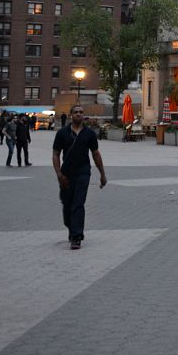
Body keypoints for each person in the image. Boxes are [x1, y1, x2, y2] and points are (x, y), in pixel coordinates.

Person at [51, 105, 108, 250]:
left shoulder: (89, 134)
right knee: (67, 204)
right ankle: (71, 228)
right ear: (71, 115)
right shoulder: (62, 133)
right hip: (66, 173)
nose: (79, 114)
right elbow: (56, 154)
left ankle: (76, 236)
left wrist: (102, 174)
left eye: (81, 112)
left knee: (78, 203)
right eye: (76, 112)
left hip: (83, 172)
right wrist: (59, 174)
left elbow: (95, 154)